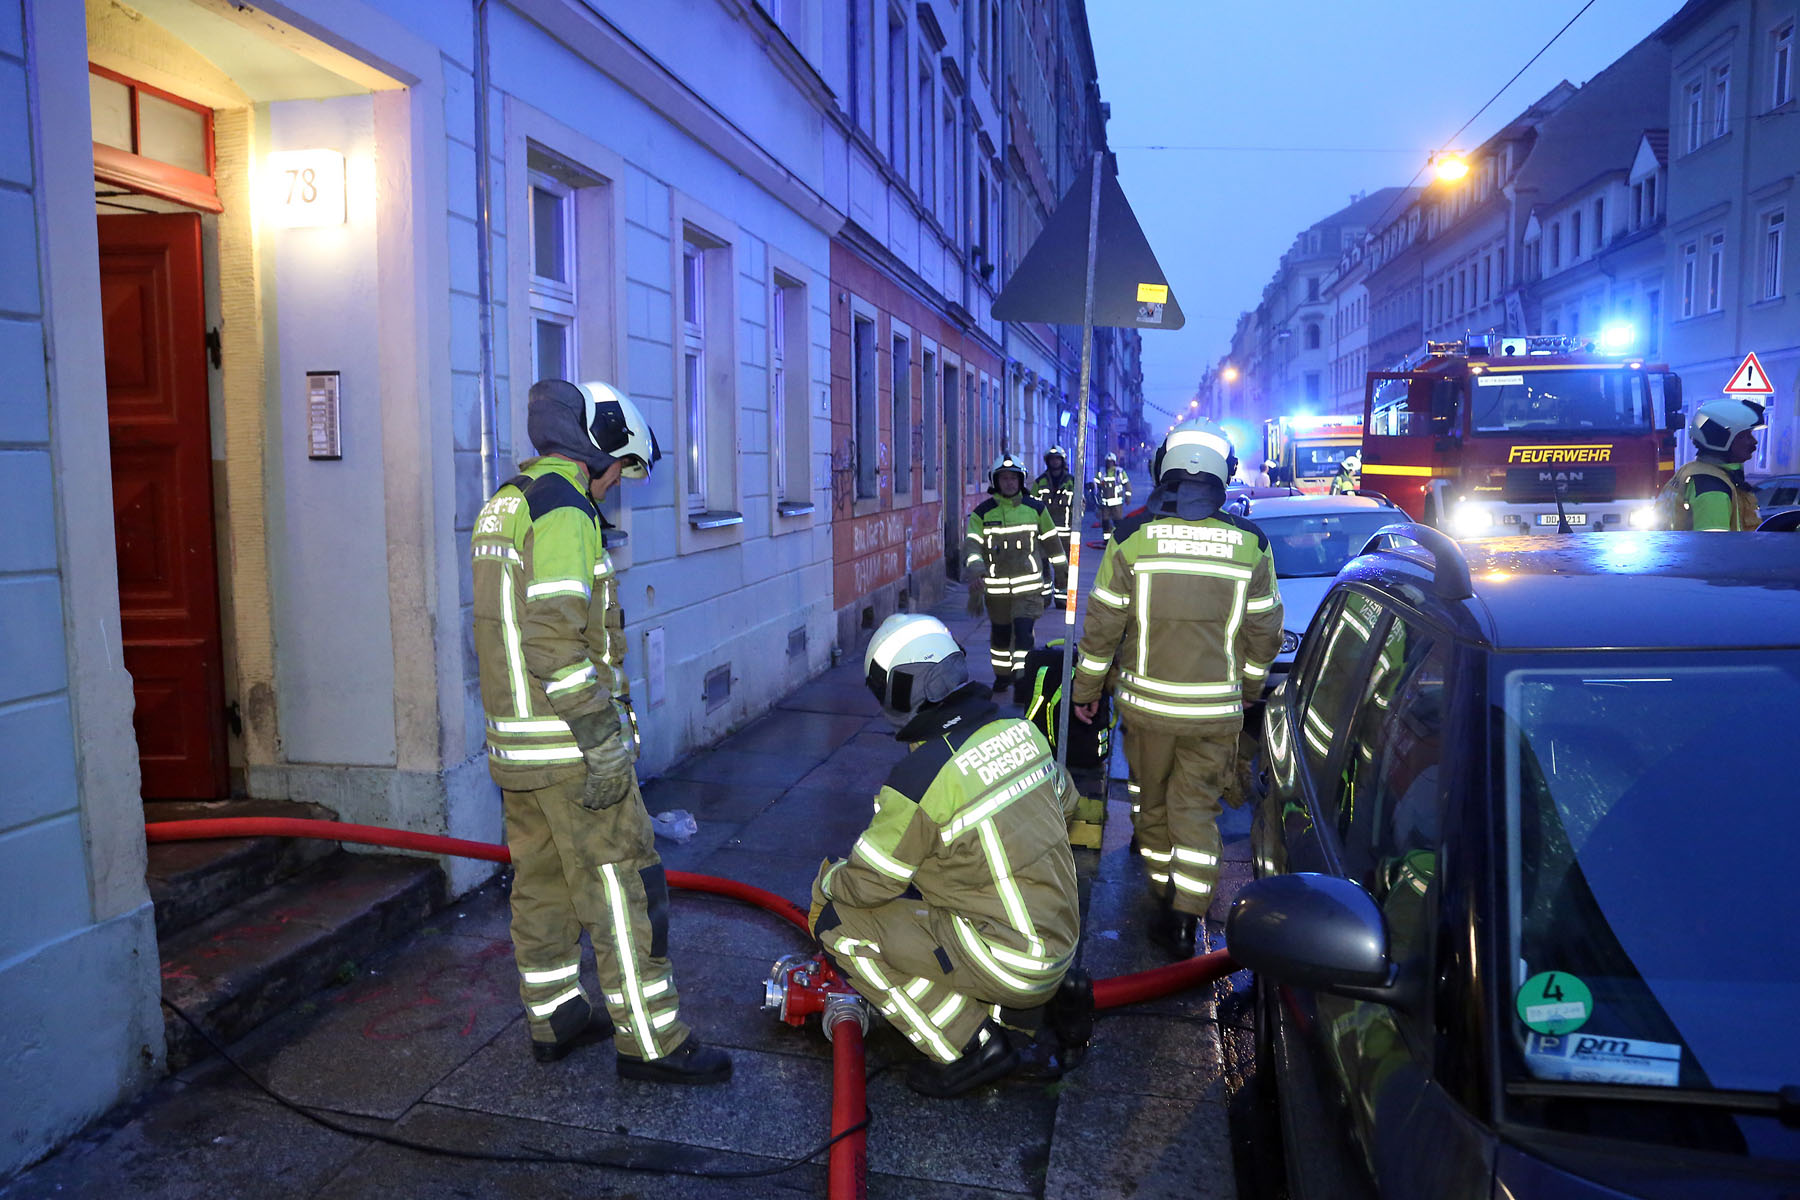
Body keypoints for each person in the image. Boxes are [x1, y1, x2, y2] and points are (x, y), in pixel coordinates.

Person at [471, 379, 730, 1083]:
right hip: (569, 751)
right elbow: (554, 641)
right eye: (619, 469)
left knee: (542, 883)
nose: (615, 485)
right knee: (623, 887)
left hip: (517, 748)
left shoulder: (507, 502)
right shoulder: (564, 510)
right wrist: (600, 739)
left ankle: (555, 1015)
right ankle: (651, 1041)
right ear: (598, 448)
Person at [810, 614, 1089, 1097]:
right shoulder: (1020, 730)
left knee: (836, 921)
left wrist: (829, 879)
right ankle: (1037, 1005)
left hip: (1009, 963)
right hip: (1060, 942)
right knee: (941, 887)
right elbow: (1067, 802)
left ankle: (970, 1043)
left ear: (900, 690)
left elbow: (870, 883)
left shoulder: (921, 779)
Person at [1070, 420, 1283, 958]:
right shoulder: (1252, 544)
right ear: (1222, 475)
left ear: (1163, 470)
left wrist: (1085, 689)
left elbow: (1102, 627)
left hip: (1147, 713)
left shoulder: (1131, 538)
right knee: (1196, 811)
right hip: (1215, 716)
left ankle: (1164, 892)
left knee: (1153, 807)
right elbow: (1265, 632)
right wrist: (1250, 686)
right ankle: (1187, 919)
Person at [965, 454, 1065, 694]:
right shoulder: (982, 513)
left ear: (1021, 480)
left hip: (1029, 590)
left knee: (1023, 635)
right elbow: (972, 546)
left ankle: (1023, 681)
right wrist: (976, 571)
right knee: (1000, 637)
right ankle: (1002, 676)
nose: (1009, 483)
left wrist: (1062, 571)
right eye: (1004, 478)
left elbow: (1053, 543)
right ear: (995, 481)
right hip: (996, 592)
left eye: (1013, 478)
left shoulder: (1036, 509)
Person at [1653, 398, 1765, 530]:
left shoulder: (1692, 471)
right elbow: (1713, 542)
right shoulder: (1712, 488)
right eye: (1744, 436)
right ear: (1719, 438)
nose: (1754, 441)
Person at [1031, 446, 1077, 605]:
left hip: (1065, 534)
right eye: (1052, 459)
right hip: (1043, 534)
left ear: (1062, 461)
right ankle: (1044, 597)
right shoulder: (1040, 482)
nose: (1055, 462)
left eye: (1058, 459)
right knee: (1043, 565)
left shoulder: (1071, 481)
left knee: (1062, 566)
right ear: (1048, 461)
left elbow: (1080, 504)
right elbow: (1031, 505)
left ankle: (1061, 598)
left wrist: (1077, 523)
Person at [1093, 452, 1132, 538]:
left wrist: (1128, 497)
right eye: (1107, 461)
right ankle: (1106, 540)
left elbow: (1127, 485)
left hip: (1117, 504)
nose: (1109, 463)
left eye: (1111, 462)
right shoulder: (1102, 472)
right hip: (1105, 504)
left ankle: (1118, 539)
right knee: (1105, 522)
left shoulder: (1119, 472)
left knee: (1118, 522)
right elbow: (1095, 484)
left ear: (1114, 462)